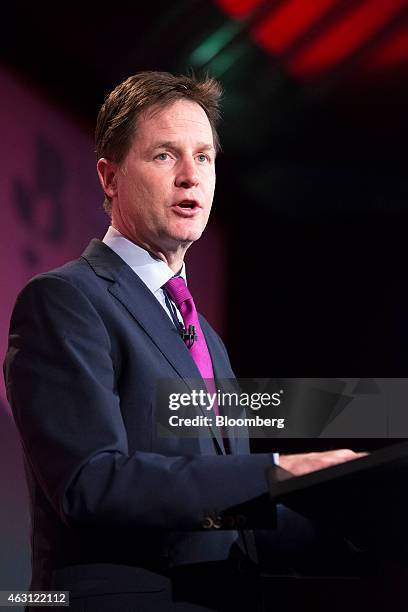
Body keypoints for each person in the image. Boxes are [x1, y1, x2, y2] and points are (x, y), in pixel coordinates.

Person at [4, 71, 364, 612]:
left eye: (204, 157)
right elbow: (90, 482)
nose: (190, 177)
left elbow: (222, 517)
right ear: (110, 176)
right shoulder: (66, 300)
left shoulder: (209, 340)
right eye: (165, 156)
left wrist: (358, 528)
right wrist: (272, 474)